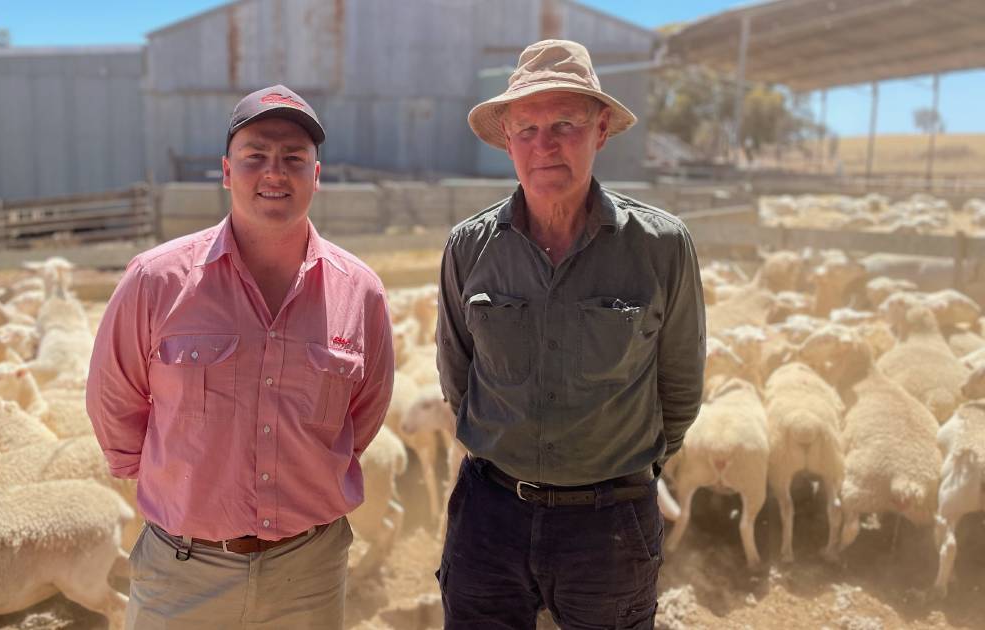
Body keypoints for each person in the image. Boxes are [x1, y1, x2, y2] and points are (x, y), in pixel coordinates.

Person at [86, 84, 394, 629]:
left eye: (293, 159)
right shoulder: (156, 280)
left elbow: (363, 414)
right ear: (227, 171)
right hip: (184, 571)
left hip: (309, 571)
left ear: (315, 177)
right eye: (256, 156)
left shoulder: (360, 292)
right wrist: (178, 492)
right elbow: (115, 400)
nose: (274, 172)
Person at [435, 40, 706, 629]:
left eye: (565, 123)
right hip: (490, 516)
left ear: (601, 129)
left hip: (609, 526)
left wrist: (627, 472)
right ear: (506, 139)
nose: (545, 144)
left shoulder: (660, 247)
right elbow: (458, 378)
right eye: (526, 128)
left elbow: (680, 387)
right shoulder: (469, 248)